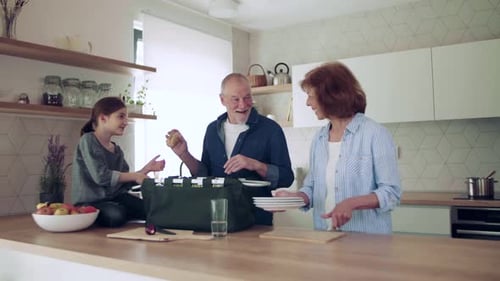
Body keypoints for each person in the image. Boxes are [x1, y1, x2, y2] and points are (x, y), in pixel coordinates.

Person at [275, 62, 401, 234]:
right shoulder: (319, 139)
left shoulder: (375, 134)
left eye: (311, 95)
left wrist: (351, 203)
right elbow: (311, 188)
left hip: (368, 244)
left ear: (330, 95)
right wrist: (295, 198)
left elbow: (391, 193)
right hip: (324, 240)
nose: (307, 103)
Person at [166, 73, 294, 225]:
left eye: (247, 98)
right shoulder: (212, 130)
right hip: (217, 219)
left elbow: (286, 177)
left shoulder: (271, 130)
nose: (243, 105)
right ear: (222, 100)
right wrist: (184, 154)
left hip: (256, 221)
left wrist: (255, 165)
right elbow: (204, 176)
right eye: (236, 99)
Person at [72, 97, 165, 227]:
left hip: (115, 199)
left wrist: (145, 170)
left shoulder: (117, 150)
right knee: (116, 215)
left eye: (126, 118)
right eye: (121, 117)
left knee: (154, 209)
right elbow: (101, 176)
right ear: (103, 118)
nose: (126, 122)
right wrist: (135, 175)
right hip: (90, 203)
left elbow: (124, 182)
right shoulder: (88, 140)